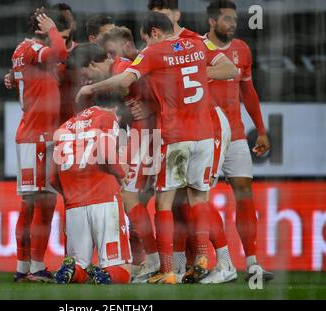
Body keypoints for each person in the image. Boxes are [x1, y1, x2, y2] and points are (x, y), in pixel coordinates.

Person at [76, 12, 237, 284]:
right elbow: (231, 69)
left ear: (153, 33)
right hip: (202, 130)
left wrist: (89, 91)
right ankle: (195, 261)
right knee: (194, 199)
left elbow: (126, 81)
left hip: (178, 131)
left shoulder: (152, 54)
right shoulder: (197, 42)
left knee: (162, 201)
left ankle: (165, 266)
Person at [66, 42, 160, 283]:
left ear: (94, 64)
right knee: (133, 199)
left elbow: (161, 90)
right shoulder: (107, 77)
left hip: (146, 135)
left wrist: (150, 107)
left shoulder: (123, 67)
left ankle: (155, 260)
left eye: (86, 74)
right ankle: (145, 261)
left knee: (130, 199)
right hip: (133, 135)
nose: (85, 81)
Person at [204, 0, 273, 281]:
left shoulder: (242, 50)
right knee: (199, 199)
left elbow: (249, 92)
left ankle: (253, 262)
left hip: (236, 136)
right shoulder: (196, 49)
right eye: (227, 19)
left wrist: (262, 129)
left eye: (235, 19)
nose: (233, 24)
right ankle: (214, 261)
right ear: (212, 21)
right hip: (205, 137)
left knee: (245, 195)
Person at [10, 9, 68, 283]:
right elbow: (60, 52)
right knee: (43, 204)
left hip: (31, 134)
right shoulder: (35, 48)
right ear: (41, 27)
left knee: (31, 204)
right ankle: (34, 267)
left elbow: (17, 77)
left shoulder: (20, 50)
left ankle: (24, 267)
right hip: (38, 137)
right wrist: (53, 30)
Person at [51, 93, 132, 284]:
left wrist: (70, 196)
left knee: (80, 267)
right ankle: (105, 275)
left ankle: (72, 271)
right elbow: (107, 153)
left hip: (73, 205)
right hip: (104, 198)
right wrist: (122, 174)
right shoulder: (108, 117)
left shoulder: (64, 126)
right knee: (122, 270)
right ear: (115, 110)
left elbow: (52, 177)